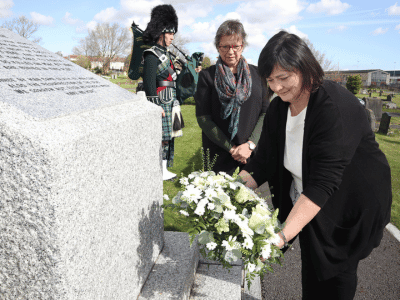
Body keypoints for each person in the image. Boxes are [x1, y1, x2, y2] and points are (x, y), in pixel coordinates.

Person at [239, 31, 392, 300]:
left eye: (283, 78)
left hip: (350, 205)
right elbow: (262, 160)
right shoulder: (278, 109)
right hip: (311, 200)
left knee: (336, 271)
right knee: (313, 265)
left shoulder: (334, 107)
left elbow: (323, 182)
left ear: (305, 68)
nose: (276, 87)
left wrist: (281, 237)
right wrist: (226, 193)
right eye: (270, 80)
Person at [194, 20, 268, 175]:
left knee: (251, 197)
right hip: (218, 153)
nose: (230, 51)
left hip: (252, 154)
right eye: (225, 46)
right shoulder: (207, 76)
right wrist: (232, 148)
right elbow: (203, 118)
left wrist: (250, 144)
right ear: (218, 47)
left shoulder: (258, 75)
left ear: (243, 46)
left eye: (236, 46)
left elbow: (265, 112)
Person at [142, 4, 180, 180]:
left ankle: (164, 170)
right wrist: (154, 106)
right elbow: (149, 83)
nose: (172, 37)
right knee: (161, 139)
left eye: (173, 33)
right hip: (160, 102)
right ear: (161, 32)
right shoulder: (151, 55)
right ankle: (157, 170)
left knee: (169, 138)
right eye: (170, 33)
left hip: (170, 100)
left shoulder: (166, 54)